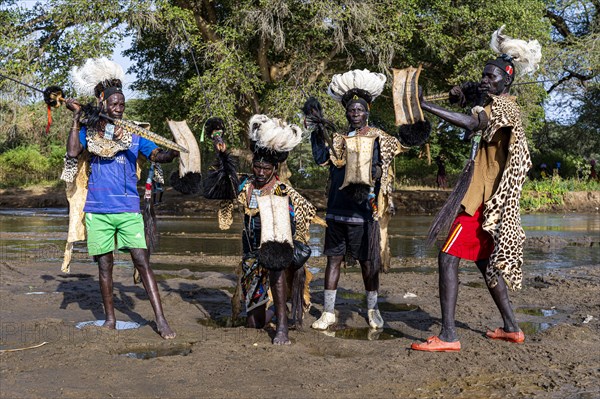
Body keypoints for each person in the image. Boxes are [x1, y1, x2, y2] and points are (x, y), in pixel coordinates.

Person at [412, 26, 541, 351]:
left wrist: (426, 107)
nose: (486, 80)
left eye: (492, 77)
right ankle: (512, 327)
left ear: (507, 81)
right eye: (484, 75)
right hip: (490, 202)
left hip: (481, 203)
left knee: (447, 259)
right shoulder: (497, 104)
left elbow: (472, 123)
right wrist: (463, 96)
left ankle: (449, 336)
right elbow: (475, 110)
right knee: (486, 264)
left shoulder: (505, 109)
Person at [63, 58, 178, 339]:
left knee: (142, 261)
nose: (119, 108)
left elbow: (155, 155)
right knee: (105, 267)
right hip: (97, 210)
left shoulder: (134, 134)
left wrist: (171, 153)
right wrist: (77, 117)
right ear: (102, 103)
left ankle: (161, 321)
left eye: (122, 105)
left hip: (128, 209)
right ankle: (110, 319)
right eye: (114, 104)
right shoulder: (88, 132)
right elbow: (73, 152)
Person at [305, 69, 412, 330]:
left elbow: (388, 160)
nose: (355, 113)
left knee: (368, 262)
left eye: (360, 110)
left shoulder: (379, 138)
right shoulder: (337, 139)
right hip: (336, 210)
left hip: (365, 211)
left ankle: (373, 309)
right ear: (346, 113)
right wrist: (316, 129)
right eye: (351, 109)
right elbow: (320, 159)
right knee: (333, 259)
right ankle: (329, 312)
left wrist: (374, 171)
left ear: (367, 112)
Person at [206, 115, 318, 345]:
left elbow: (297, 219)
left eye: (265, 168)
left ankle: (282, 329)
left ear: (274, 168)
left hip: (276, 249)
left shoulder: (281, 190)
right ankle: (277, 313)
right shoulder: (245, 186)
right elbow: (219, 187)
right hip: (251, 257)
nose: (260, 172)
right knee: (254, 323)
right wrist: (222, 155)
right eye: (256, 166)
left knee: (276, 273)